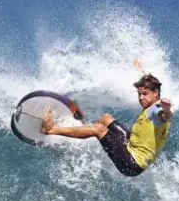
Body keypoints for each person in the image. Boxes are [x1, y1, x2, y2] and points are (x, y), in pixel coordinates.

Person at [41, 74, 172, 177]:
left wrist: (166, 110)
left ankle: (51, 129)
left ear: (155, 93)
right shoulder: (153, 101)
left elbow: (165, 116)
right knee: (106, 118)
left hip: (132, 163)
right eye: (139, 94)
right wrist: (144, 74)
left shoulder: (157, 109)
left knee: (99, 129)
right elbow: (153, 91)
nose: (141, 98)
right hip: (131, 146)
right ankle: (82, 130)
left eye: (145, 94)